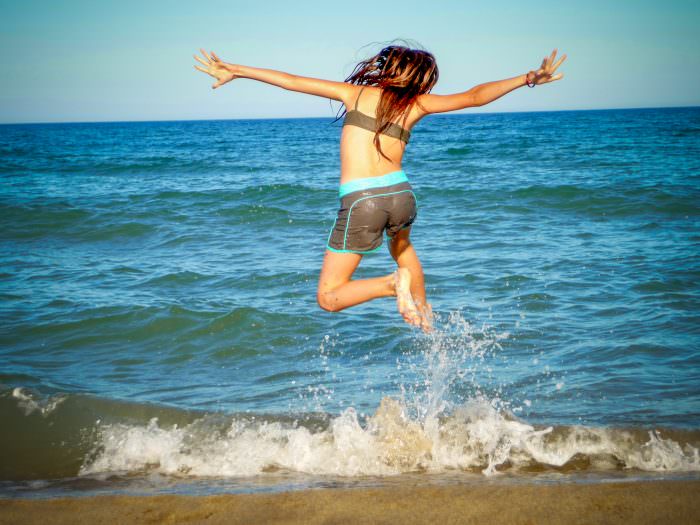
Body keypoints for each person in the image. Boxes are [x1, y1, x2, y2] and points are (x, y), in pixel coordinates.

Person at [193, 43, 566, 331]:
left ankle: (390, 286)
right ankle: (424, 316)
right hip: (402, 196)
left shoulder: (355, 94)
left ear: (388, 69)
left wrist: (237, 70)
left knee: (329, 297)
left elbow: (292, 80)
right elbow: (474, 96)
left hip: (363, 201)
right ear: (421, 79)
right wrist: (527, 78)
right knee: (402, 247)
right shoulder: (418, 105)